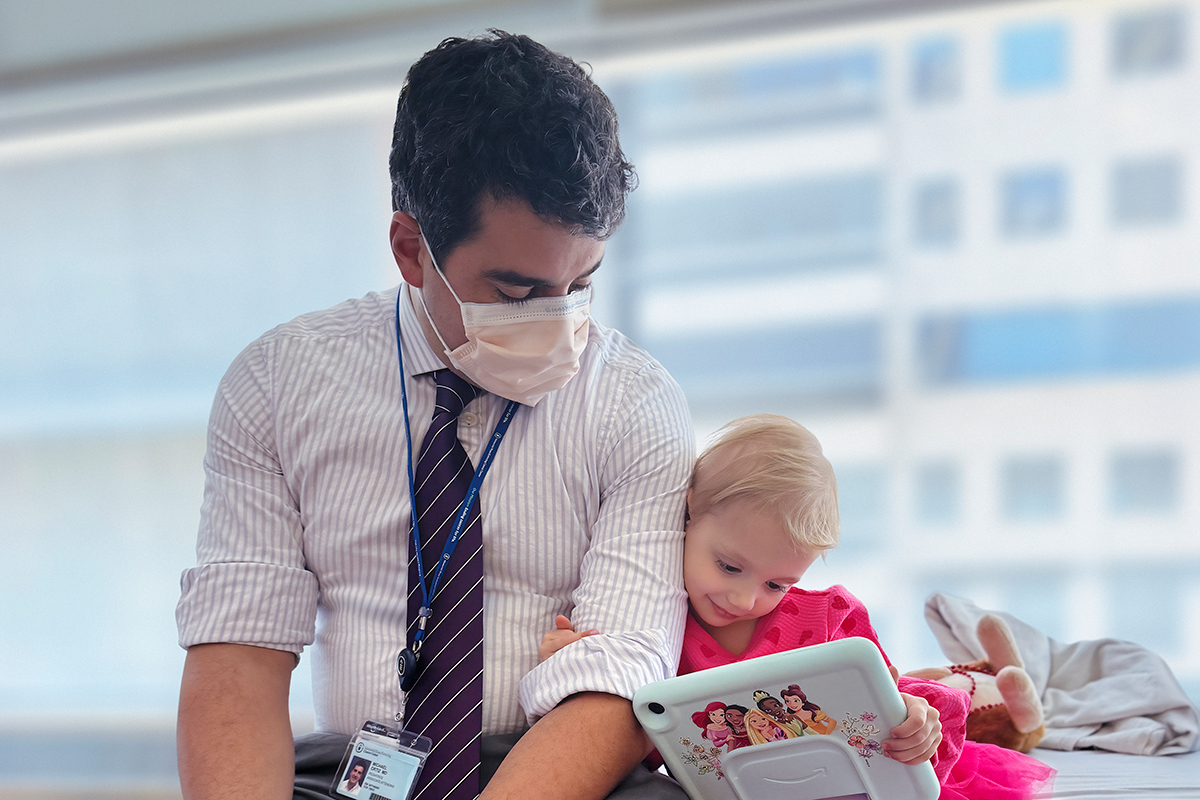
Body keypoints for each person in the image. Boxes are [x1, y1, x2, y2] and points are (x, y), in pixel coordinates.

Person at [176, 30, 695, 800]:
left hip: (554, 769)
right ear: (411, 250)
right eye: (517, 292)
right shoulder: (279, 382)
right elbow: (238, 657)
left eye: (581, 283)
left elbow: (622, 675)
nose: (557, 320)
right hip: (352, 775)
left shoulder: (637, 401)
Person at [541, 414, 1056, 799]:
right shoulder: (652, 614)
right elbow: (619, 720)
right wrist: (572, 656)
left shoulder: (828, 616)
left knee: (935, 703)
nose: (744, 600)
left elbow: (880, 696)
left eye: (777, 584)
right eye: (728, 567)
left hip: (832, 783)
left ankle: (976, 685)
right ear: (691, 507)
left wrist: (912, 718)